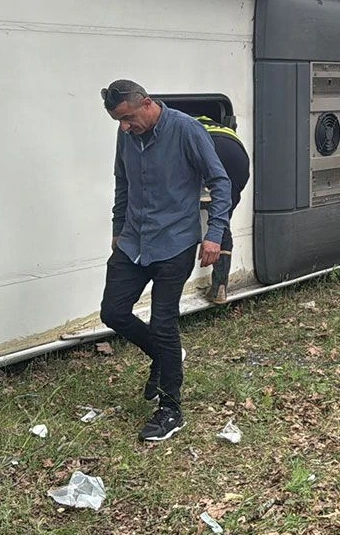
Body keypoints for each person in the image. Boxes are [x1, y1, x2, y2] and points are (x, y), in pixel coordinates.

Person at [101, 80, 232, 441]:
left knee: (163, 323)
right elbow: (122, 181)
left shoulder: (186, 130)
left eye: (128, 118)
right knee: (113, 312)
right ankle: (163, 355)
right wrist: (117, 227)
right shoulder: (125, 133)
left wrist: (214, 233)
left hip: (175, 242)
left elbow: (220, 182)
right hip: (133, 242)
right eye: (118, 122)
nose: (125, 127)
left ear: (145, 104)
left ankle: (171, 409)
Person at [194, 115, 251, 306]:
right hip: (237, 154)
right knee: (222, 218)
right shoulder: (211, 122)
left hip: (211, 149)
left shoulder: (178, 123)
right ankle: (220, 286)